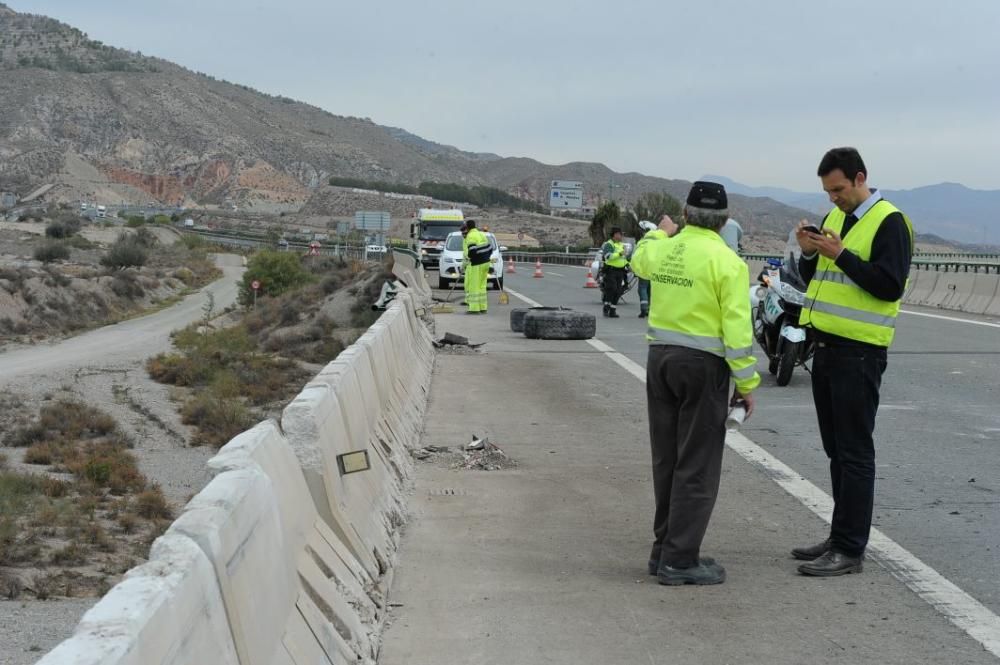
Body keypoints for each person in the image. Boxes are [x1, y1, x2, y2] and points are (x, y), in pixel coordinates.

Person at [631, 181, 760, 586]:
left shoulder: (665, 247)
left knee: (666, 458)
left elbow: (639, 260)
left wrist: (659, 231)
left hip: (660, 362)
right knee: (697, 465)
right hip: (703, 368)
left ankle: (663, 550)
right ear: (724, 222)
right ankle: (680, 560)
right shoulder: (728, 263)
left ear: (686, 216)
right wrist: (746, 383)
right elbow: (737, 332)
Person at [792, 147, 913, 576]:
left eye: (838, 190)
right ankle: (839, 535)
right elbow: (817, 281)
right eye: (827, 192)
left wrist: (841, 254)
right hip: (825, 348)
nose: (833, 199)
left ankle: (849, 549)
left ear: (861, 177)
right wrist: (810, 252)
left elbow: (889, 285)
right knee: (836, 451)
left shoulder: (890, 222)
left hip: (858, 353)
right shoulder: (835, 220)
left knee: (855, 453)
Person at [634, 216, 680, 318]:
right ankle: (650, 308)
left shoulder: (646, 241)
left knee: (642, 288)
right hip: (656, 271)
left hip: (644, 270)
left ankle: (644, 309)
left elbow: (636, 259)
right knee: (650, 289)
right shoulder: (663, 242)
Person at [461, 220, 491, 314]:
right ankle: (483, 307)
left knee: (474, 286)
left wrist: (467, 261)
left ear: (468, 227)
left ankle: (474, 309)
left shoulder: (470, 236)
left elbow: (472, 251)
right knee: (482, 286)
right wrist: (485, 257)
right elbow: (490, 248)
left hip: (476, 264)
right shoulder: (481, 234)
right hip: (486, 263)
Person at [600, 227, 628, 318]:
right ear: (615, 234)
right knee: (612, 289)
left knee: (618, 291)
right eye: (620, 234)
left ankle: (612, 310)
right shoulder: (609, 244)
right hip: (611, 270)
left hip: (620, 271)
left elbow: (623, 259)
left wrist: (629, 265)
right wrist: (619, 254)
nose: (622, 236)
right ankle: (606, 306)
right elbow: (608, 256)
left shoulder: (621, 245)